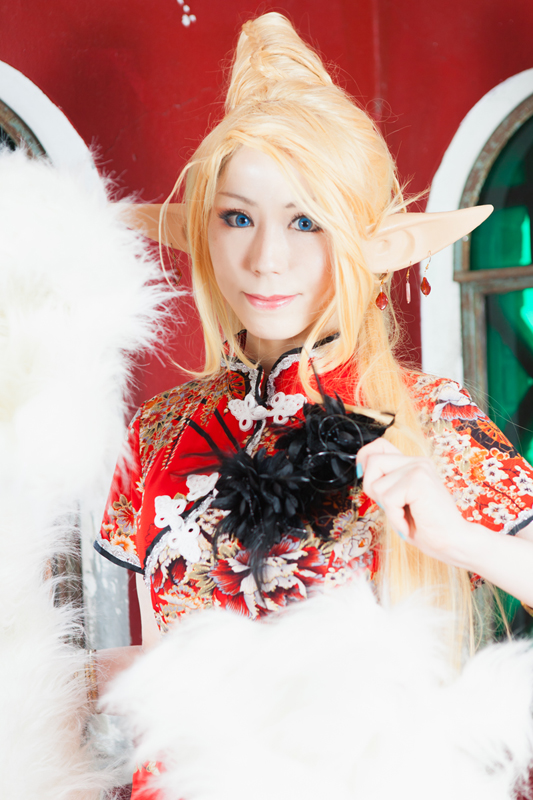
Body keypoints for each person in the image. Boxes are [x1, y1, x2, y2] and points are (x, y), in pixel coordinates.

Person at [93, 12, 533, 797]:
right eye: (237, 217)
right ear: (203, 234)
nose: (267, 259)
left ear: (364, 241)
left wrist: (458, 538)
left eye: (306, 221)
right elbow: (162, 661)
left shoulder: (433, 419)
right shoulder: (157, 434)